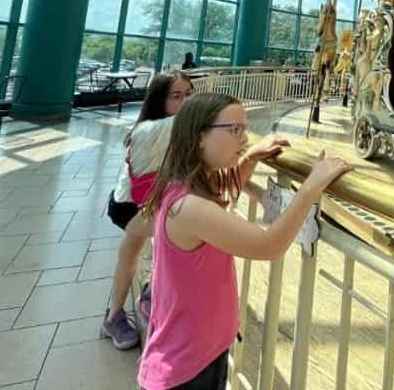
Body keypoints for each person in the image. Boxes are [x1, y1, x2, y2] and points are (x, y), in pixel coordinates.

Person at [138, 93, 351, 390]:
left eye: (244, 128)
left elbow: (224, 190)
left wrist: (250, 158)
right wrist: (311, 187)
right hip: (186, 369)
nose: (244, 136)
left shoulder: (185, 189)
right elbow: (268, 246)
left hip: (197, 352)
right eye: (234, 129)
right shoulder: (190, 207)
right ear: (200, 136)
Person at [102, 71, 193, 350]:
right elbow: (205, 119)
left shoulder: (161, 127)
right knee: (187, 236)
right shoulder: (155, 129)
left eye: (189, 95)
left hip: (135, 200)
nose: (186, 102)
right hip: (130, 206)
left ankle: (114, 315)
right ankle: (152, 294)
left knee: (129, 254)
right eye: (177, 96)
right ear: (159, 100)